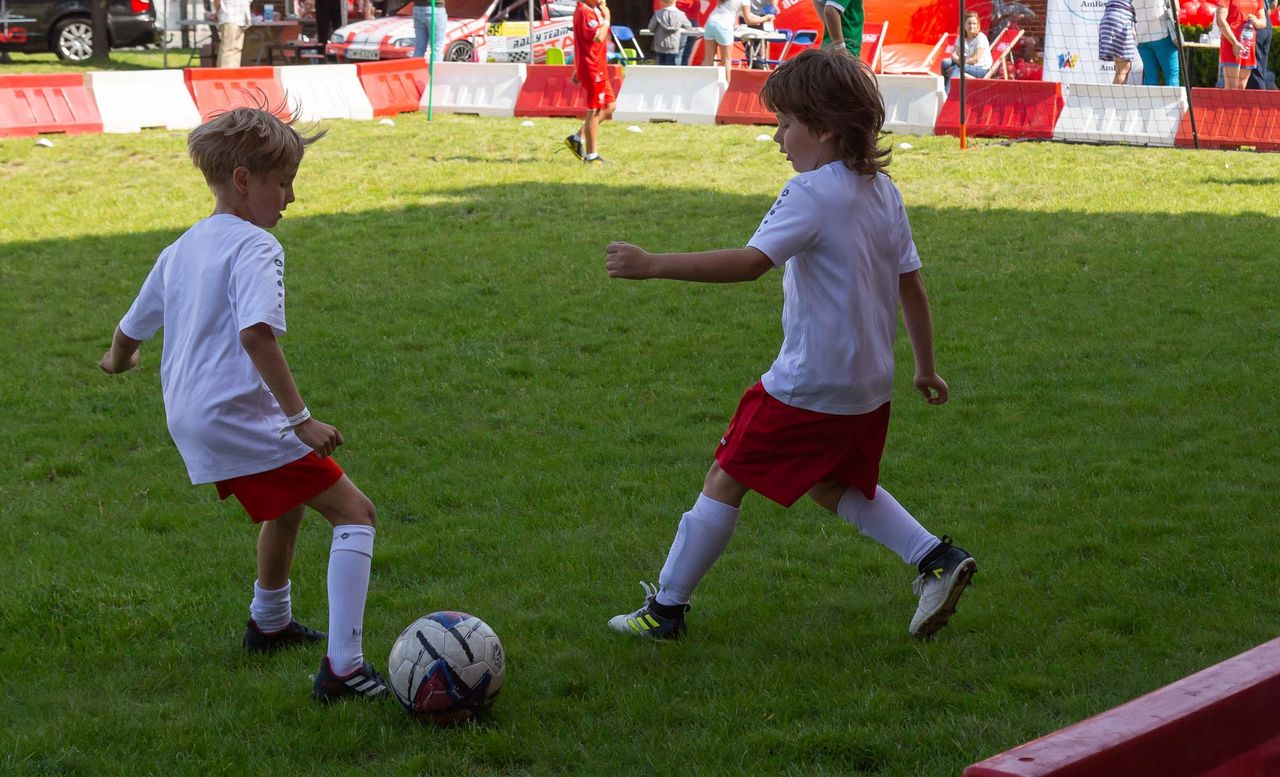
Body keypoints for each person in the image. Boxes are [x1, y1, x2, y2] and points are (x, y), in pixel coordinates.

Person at [602, 49, 977, 642]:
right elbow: (912, 283)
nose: (777, 138)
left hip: (809, 384)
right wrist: (925, 367)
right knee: (834, 486)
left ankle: (665, 611)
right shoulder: (883, 188)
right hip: (869, 387)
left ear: (823, 127)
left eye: (784, 123)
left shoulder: (810, 193)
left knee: (725, 477)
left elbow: (751, 263)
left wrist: (653, 265)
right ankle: (937, 559)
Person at [98, 106, 389, 703]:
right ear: (242, 180)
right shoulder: (256, 247)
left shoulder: (181, 248)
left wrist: (117, 361)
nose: (290, 197)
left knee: (290, 504)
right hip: (236, 413)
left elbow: (131, 329)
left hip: (191, 414)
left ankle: (270, 621)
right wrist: (301, 420)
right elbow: (256, 333)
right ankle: (344, 669)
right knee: (356, 514)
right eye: (282, 182)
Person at [564, 0, 615, 164]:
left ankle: (577, 138)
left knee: (610, 106)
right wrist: (607, 17)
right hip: (592, 67)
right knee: (595, 108)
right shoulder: (584, 12)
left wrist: (576, 67)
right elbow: (599, 37)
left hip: (598, 64)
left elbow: (580, 41)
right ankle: (592, 156)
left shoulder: (591, 9)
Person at [701, 0, 774, 82]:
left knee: (708, 59)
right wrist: (766, 18)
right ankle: (726, 89)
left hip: (710, 23)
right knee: (726, 61)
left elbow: (742, 13)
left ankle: (703, 84)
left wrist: (759, 19)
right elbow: (749, 20)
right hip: (724, 26)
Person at [1219, 0, 1266, 89]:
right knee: (1231, 88)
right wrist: (1234, 42)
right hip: (1231, 43)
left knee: (1241, 88)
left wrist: (1256, 21)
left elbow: (1263, 22)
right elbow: (1220, 20)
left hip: (1248, 44)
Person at [941, 11, 992, 91]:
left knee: (957, 69)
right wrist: (959, 61)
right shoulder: (961, 37)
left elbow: (975, 59)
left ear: (978, 25)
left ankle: (948, 94)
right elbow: (954, 54)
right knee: (945, 63)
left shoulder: (981, 37)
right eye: (969, 23)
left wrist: (958, 64)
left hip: (980, 68)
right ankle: (944, 87)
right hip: (966, 64)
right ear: (964, 24)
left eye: (974, 23)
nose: (972, 26)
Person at [1134, 0, 1179, 86]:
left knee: (1150, 75)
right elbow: (1175, 7)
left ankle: (1148, 100)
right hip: (1162, 34)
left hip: (1141, 37)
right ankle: (1172, 100)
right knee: (1171, 75)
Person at [1098, 0, 1137, 84]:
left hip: (1110, 18)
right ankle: (1116, 97)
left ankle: (1117, 96)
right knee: (1123, 68)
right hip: (1120, 20)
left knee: (1121, 68)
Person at [648, 0, 693, 66]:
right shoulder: (681, 14)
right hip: (674, 44)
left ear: (663, 2)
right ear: (675, 1)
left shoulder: (658, 14)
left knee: (660, 65)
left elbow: (651, 28)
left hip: (660, 44)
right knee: (672, 65)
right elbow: (689, 27)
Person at [211, 0, 252, 67]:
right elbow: (217, 1)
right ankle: (223, 74)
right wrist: (218, 11)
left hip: (241, 18)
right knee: (228, 49)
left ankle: (234, 73)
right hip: (229, 16)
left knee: (237, 49)